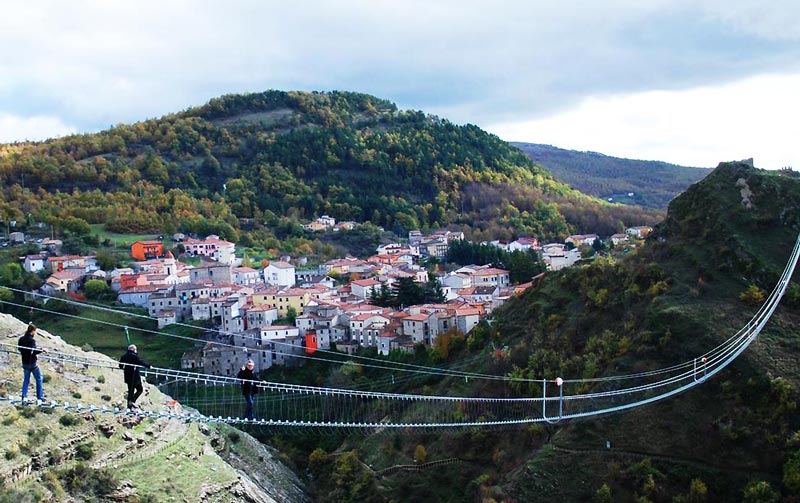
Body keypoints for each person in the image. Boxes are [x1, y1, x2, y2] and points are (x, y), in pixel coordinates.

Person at [19, 323, 46, 403]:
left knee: (26, 380)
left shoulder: (21, 339)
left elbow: (19, 349)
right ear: (32, 331)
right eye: (34, 332)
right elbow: (33, 351)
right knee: (39, 378)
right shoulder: (32, 340)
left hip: (24, 362)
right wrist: (42, 350)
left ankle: (24, 396)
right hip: (32, 363)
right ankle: (40, 397)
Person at [119, 344, 151, 409]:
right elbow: (140, 362)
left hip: (128, 377)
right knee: (140, 389)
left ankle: (129, 408)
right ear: (133, 349)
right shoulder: (134, 356)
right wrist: (148, 366)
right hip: (135, 377)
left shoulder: (124, 356)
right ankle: (133, 401)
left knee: (130, 392)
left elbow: (120, 366)